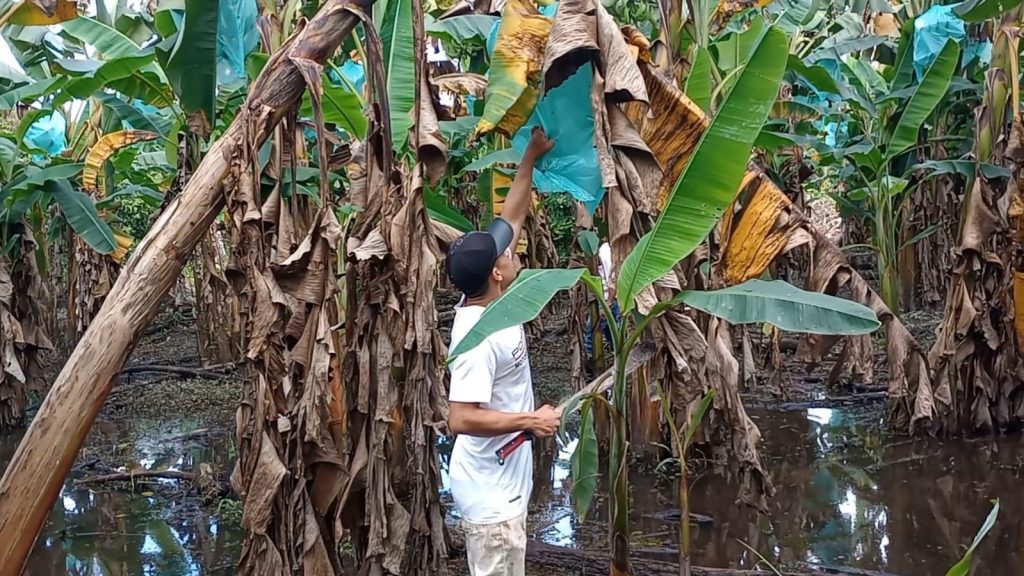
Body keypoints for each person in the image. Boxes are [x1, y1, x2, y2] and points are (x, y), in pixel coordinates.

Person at [445, 126, 563, 576]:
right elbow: (460, 418)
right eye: (505, 253)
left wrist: (529, 158)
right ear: (498, 272)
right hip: (490, 494)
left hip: (505, 479)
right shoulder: (477, 337)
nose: (513, 248)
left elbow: (510, 218)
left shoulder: (489, 294)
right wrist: (531, 420)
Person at [584, 241, 621, 378]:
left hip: (611, 300)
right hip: (604, 298)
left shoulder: (605, 251)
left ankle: (594, 372)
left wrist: (608, 303)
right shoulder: (599, 250)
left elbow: (613, 280)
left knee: (591, 335)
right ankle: (596, 370)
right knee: (609, 334)